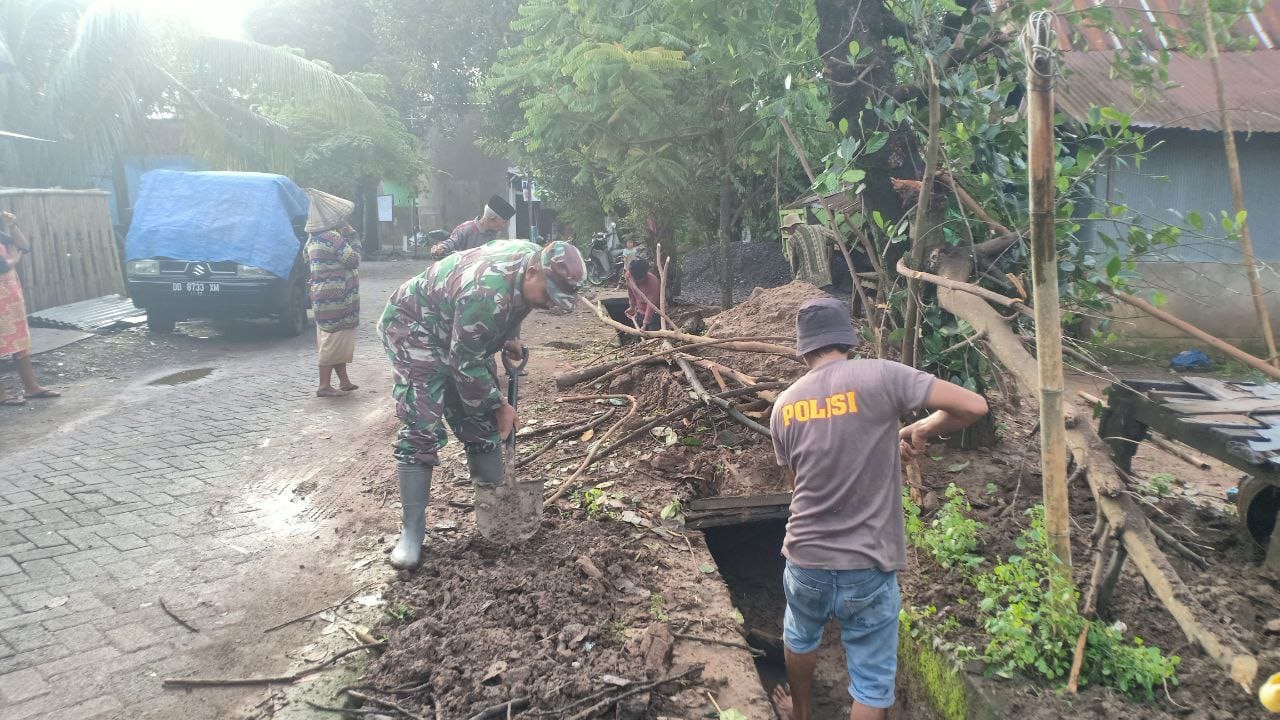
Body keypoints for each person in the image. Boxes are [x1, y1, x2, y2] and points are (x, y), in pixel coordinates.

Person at [768, 298, 987, 720]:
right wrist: (923, 426)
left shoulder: (784, 406)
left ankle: (799, 713)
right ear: (848, 340)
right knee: (870, 680)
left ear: (803, 348)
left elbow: (802, 485)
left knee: (799, 635)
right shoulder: (881, 375)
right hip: (867, 564)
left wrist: (890, 443)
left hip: (805, 558)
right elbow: (974, 406)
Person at [377, 239, 586, 569]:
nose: (549, 304)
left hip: (460, 330)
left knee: (481, 423)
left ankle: (495, 509)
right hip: (415, 327)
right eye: (548, 295)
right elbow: (465, 362)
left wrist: (510, 333)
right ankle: (412, 532)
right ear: (534, 271)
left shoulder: (532, 258)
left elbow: (519, 302)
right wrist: (499, 404)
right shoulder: (487, 292)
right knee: (422, 424)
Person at [304, 190, 361, 397]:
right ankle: (324, 386)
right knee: (333, 341)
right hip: (338, 299)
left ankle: (344, 381)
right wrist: (353, 237)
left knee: (332, 338)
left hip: (321, 297)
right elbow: (353, 260)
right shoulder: (333, 238)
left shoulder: (312, 240)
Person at [0, 211, 61, 407]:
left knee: (20, 340)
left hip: (9, 294)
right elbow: (3, 265)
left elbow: (24, 246)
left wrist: (12, 224)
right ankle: (1, 394)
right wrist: (14, 261)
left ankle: (31, 387)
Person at [430, 195, 516, 257]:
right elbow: (452, 242)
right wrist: (441, 247)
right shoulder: (466, 229)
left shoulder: (495, 234)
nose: (504, 226)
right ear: (492, 219)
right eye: (504, 222)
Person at [782, 214, 839, 290]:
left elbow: (793, 263)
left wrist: (794, 279)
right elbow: (837, 237)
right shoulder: (818, 229)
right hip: (824, 278)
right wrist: (823, 242)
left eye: (787, 229)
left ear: (792, 226)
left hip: (806, 282)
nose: (787, 232)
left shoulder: (792, 240)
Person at [625, 258, 661, 331]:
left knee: (652, 336)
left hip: (655, 313)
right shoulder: (628, 275)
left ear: (645, 274)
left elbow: (651, 305)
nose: (636, 282)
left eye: (639, 280)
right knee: (636, 334)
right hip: (640, 310)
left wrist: (645, 324)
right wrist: (632, 307)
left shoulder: (653, 282)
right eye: (634, 279)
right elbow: (630, 291)